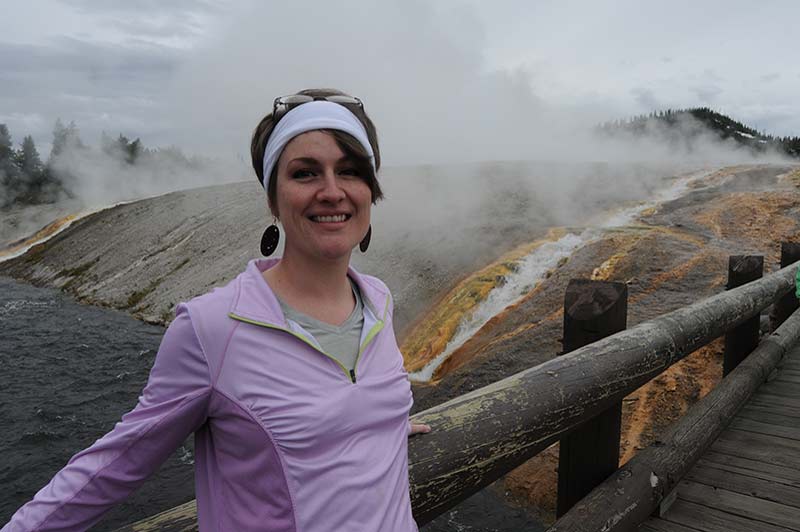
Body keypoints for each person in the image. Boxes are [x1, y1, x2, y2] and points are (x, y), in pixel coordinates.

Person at [3, 88, 430, 532]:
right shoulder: (212, 327)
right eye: (305, 174)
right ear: (272, 198)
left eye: (350, 171)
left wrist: (382, 425)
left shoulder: (378, 299)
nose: (331, 191)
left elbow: (341, 402)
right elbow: (118, 461)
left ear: (371, 190)